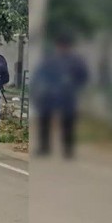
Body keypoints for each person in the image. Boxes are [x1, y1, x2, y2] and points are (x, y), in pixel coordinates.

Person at [32, 31, 88, 159]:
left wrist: (74, 86)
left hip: (67, 95)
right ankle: (44, 147)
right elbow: (40, 75)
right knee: (44, 120)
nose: (62, 48)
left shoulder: (76, 61)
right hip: (50, 95)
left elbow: (83, 77)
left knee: (68, 122)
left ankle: (67, 149)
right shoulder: (50, 60)